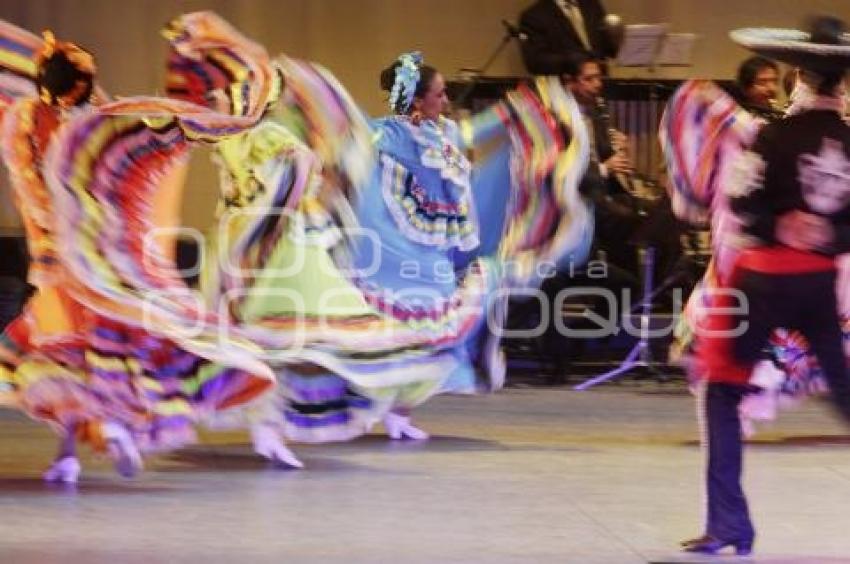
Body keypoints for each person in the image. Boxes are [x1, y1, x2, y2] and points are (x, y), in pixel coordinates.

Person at [0, 16, 277, 482]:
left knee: (69, 357)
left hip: (62, 265)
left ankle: (73, 449)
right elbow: (71, 187)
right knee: (94, 353)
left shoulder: (37, 122)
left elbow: (38, 190)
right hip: (88, 264)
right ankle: (107, 432)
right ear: (80, 84)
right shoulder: (77, 124)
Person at [677, 16, 850, 555]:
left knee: (721, 391)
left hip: (765, 284)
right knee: (844, 394)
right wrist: (828, 229)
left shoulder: (770, 136)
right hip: (820, 285)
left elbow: (740, 207)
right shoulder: (848, 141)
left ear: (799, 72)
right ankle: (729, 525)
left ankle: (730, 524)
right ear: (842, 81)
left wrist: (778, 224)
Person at [519, 0, 620, 75]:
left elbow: (607, 49)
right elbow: (535, 61)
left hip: (600, 82)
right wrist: (574, 62)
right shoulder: (534, 15)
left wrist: (617, 37)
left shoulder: (592, 5)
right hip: (564, 89)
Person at [732, 56, 783, 121]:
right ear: (746, 88)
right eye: (762, 82)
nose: (771, 88)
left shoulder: (775, 115)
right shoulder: (736, 118)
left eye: (775, 81)